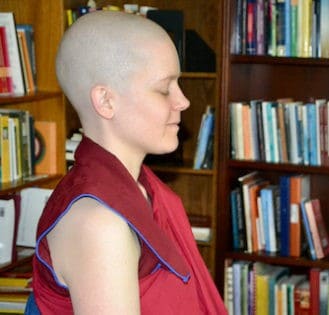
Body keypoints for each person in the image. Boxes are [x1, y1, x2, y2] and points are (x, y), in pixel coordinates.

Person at [30, 10, 227, 314]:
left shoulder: (142, 186)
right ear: (106, 101)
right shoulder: (99, 224)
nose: (183, 101)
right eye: (164, 88)